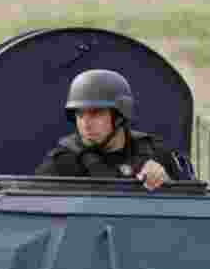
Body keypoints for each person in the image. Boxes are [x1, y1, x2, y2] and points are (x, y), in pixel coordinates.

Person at [35, 69, 189, 190]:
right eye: (80, 114)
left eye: (95, 113)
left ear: (119, 116)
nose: (85, 124)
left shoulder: (155, 152)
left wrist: (167, 183)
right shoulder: (62, 162)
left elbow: (193, 203)